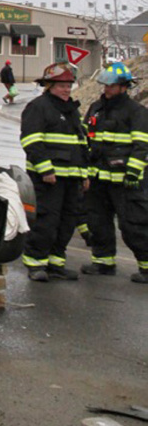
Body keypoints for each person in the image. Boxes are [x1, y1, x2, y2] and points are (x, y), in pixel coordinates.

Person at [19, 62, 88, 282]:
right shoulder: (38, 107)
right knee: (46, 221)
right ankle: (36, 263)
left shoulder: (71, 110)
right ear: (48, 85)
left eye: (69, 85)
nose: (67, 89)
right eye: (61, 86)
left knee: (67, 222)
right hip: (48, 178)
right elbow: (31, 140)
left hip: (71, 177)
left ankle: (56, 263)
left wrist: (84, 173)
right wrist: (45, 169)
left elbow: (81, 145)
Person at [80, 62, 148, 284]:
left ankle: (146, 267)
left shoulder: (136, 112)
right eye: (105, 85)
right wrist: (86, 173)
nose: (106, 90)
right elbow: (86, 141)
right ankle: (103, 262)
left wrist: (133, 173)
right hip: (98, 179)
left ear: (123, 87)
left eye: (111, 86)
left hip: (126, 182)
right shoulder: (96, 108)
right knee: (97, 221)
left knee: (133, 225)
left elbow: (142, 145)